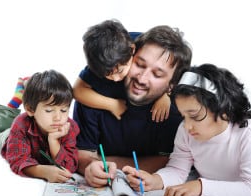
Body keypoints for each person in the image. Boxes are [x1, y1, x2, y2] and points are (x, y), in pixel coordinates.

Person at [73, 25, 192, 187]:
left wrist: (104, 160)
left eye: (157, 74)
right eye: (140, 64)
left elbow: (171, 161)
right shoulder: (98, 86)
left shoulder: (179, 108)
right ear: (131, 54)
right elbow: (82, 154)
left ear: (172, 85)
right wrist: (89, 166)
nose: (142, 79)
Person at [123, 64, 251, 196]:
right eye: (183, 117)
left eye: (195, 116)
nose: (187, 126)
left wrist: (200, 187)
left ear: (224, 110)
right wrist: (155, 180)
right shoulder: (186, 132)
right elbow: (177, 170)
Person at [0, 70, 79, 183]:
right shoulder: (21, 124)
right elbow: (17, 161)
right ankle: (17, 99)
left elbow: (70, 166)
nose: (58, 117)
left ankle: (29, 90)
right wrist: (44, 171)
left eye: (63, 110)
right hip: (8, 139)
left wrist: (54, 141)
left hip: (29, 125)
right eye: (49, 110)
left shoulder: (70, 127)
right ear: (30, 110)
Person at [73, 19, 170, 122]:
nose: (115, 79)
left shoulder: (148, 47)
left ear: (132, 49)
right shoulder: (101, 62)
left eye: (120, 71)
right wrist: (112, 105)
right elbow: (77, 90)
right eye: (108, 74)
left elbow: (172, 66)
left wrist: (165, 94)